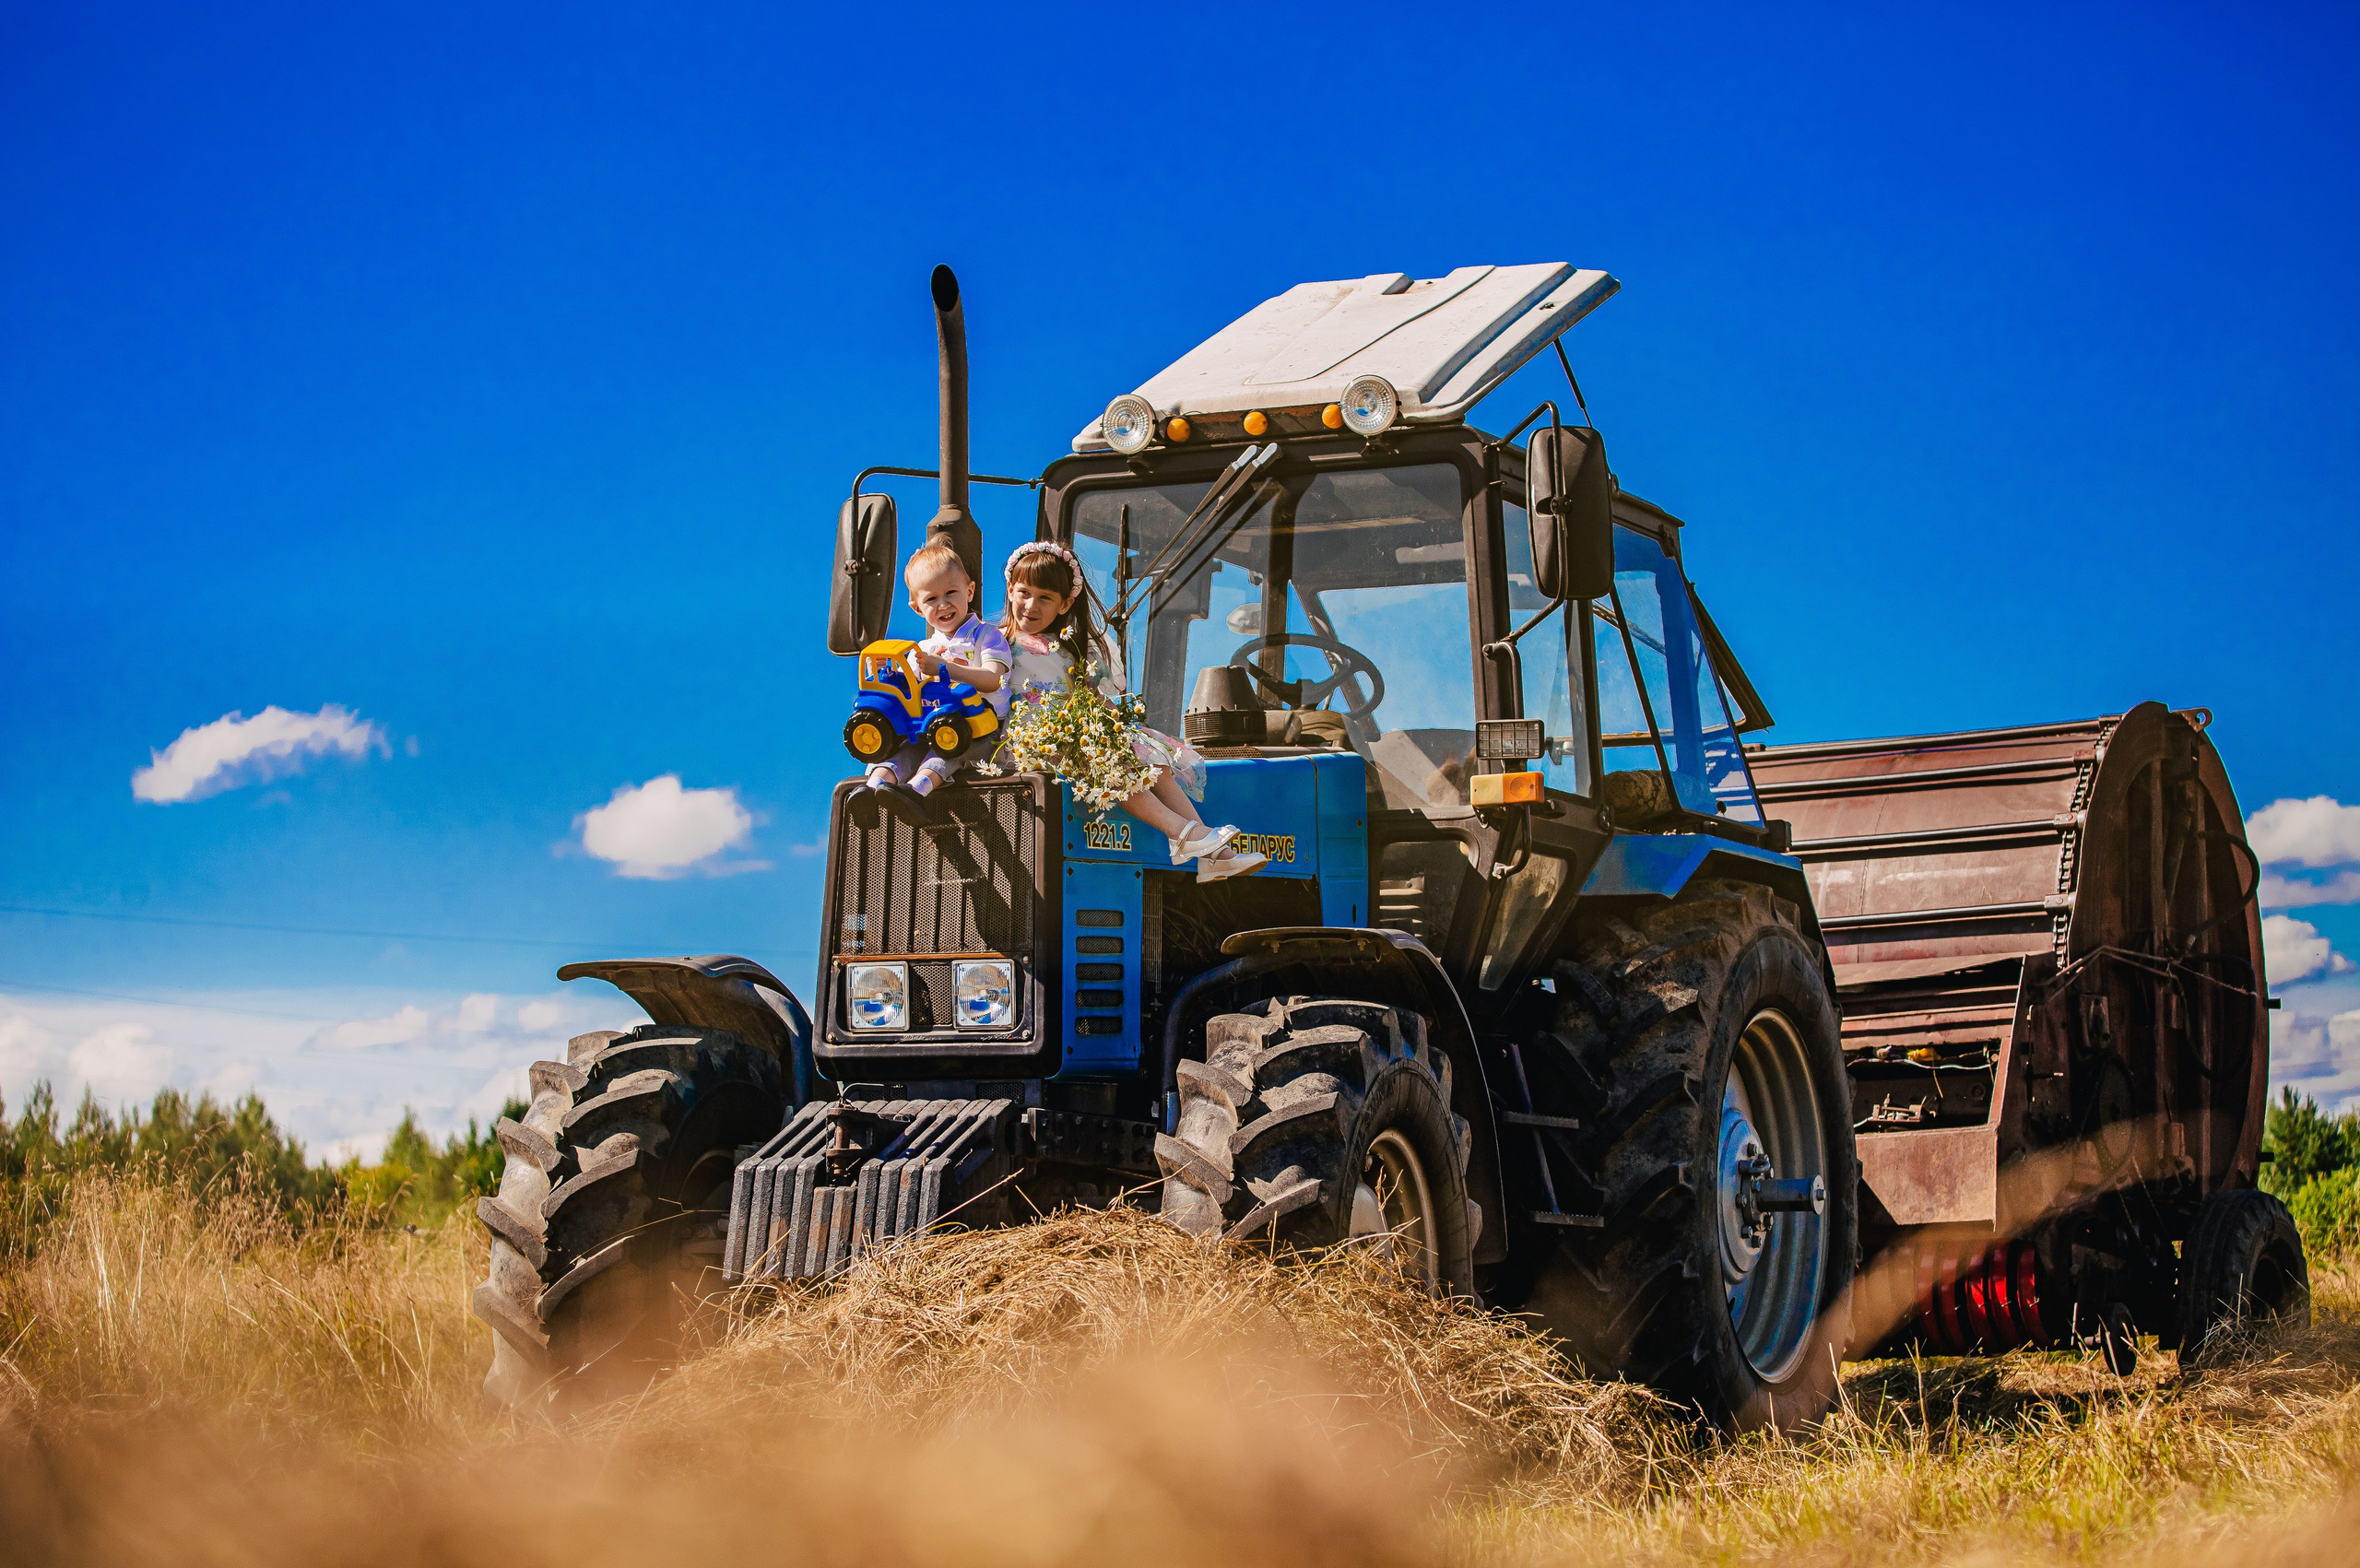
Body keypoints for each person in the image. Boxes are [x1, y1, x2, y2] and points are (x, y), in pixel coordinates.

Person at [999, 541, 1264, 883]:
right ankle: (1181, 832)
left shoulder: (1074, 651)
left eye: (1045, 598)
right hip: (1036, 743)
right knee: (1113, 762)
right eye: (1024, 592)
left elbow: (1097, 702)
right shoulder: (997, 644)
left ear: (1066, 604)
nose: (1031, 605)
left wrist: (1118, 730)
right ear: (1010, 589)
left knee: (1146, 756)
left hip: (1074, 737)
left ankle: (1214, 855)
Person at [861, 540, 1011, 805]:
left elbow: (993, 679)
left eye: (950, 593)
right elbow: (906, 691)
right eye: (931, 599)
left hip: (979, 726)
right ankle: (873, 789)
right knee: (905, 748)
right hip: (931, 723)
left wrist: (944, 668)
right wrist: (902, 674)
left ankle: (916, 792)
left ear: (969, 591)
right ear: (917, 608)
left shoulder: (987, 636)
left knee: (948, 751)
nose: (943, 604)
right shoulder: (923, 649)